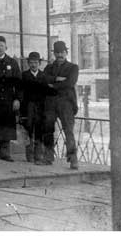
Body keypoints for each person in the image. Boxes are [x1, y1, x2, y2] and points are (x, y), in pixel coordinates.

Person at [43, 41, 79, 169]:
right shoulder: (48, 68)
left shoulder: (73, 67)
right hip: (51, 102)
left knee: (68, 130)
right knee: (48, 129)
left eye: (62, 52)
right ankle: (48, 155)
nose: (60, 55)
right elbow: (44, 80)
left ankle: (73, 158)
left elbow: (70, 82)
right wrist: (57, 79)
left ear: (66, 53)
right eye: (57, 52)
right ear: (54, 53)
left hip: (66, 103)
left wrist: (53, 84)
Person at [21, 52, 57, 165]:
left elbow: (48, 92)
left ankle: (38, 155)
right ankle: (29, 154)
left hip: (40, 107)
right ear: (28, 63)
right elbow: (21, 93)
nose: (33, 65)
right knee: (28, 130)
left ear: (40, 63)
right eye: (31, 62)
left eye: (36, 62)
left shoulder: (43, 76)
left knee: (39, 130)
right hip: (28, 106)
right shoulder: (24, 76)